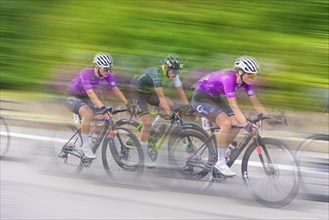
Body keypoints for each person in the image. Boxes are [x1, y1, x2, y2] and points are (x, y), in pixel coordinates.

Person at [191, 56, 270, 176]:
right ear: (240, 72)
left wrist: (269, 117)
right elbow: (234, 106)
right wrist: (247, 125)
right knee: (226, 123)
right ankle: (220, 162)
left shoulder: (245, 81)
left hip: (215, 98)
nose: (252, 78)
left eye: (254, 76)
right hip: (201, 98)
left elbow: (254, 101)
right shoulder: (228, 79)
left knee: (237, 124)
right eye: (250, 75)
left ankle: (221, 151)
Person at [65, 52, 131, 159]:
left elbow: (115, 89)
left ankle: (89, 136)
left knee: (105, 115)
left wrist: (127, 104)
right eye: (106, 69)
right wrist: (102, 107)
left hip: (86, 97)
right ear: (97, 67)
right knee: (88, 113)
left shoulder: (107, 75)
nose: (108, 72)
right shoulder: (85, 73)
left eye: (110, 69)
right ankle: (85, 146)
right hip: (72, 97)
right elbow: (91, 93)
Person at [131, 54, 190, 168]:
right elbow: (161, 96)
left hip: (148, 93)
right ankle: (144, 156)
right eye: (174, 71)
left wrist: (187, 105)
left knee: (171, 105)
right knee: (146, 122)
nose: (176, 74)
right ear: (167, 68)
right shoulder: (157, 73)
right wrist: (169, 113)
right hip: (137, 93)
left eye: (177, 71)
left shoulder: (173, 73)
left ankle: (152, 130)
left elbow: (180, 89)